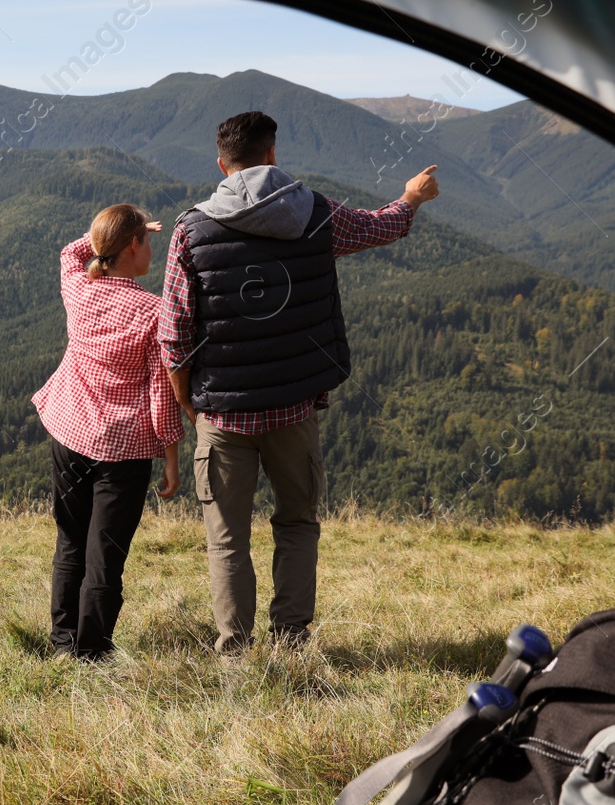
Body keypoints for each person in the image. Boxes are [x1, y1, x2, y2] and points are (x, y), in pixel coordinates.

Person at [160, 111, 440, 655]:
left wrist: (188, 405)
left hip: (222, 412)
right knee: (296, 523)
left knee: (226, 540)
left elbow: (174, 335)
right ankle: (290, 640)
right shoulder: (315, 212)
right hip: (294, 408)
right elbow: (379, 226)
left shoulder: (190, 232)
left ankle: (236, 652)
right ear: (271, 157)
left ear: (222, 164)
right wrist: (411, 198)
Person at [33, 204, 184, 659]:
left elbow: (69, 253)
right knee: (106, 555)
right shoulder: (153, 312)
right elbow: (162, 394)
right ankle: (92, 652)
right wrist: (172, 459)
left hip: (69, 431)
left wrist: (103, 237)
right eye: (147, 241)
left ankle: (63, 645)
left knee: (71, 541)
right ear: (134, 247)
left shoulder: (80, 290)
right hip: (123, 452)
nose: (151, 249)